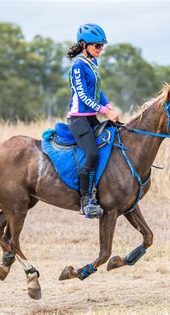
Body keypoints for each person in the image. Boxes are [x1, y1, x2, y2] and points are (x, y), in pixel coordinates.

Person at [66, 23, 119, 219]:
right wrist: (105, 111)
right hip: (78, 120)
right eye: (97, 46)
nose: (101, 49)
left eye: (102, 46)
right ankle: (86, 200)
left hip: (91, 118)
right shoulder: (78, 65)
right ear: (83, 44)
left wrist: (108, 107)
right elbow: (83, 96)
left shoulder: (93, 63)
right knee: (92, 154)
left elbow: (98, 92)